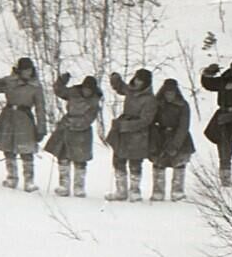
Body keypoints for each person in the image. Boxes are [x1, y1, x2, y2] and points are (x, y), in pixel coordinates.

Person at [0, 57, 47, 192]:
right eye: (25, 70)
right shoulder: (9, 81)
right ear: (19, 70)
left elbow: (40, 108)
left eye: (30, 70)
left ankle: (29, 181)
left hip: (24, 118)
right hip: (8, 116)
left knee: (26, 150)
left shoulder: (35, 86)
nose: (28, 72)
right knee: (8, 149)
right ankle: (11, 178)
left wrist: (41, 128)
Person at [43, 73, 101, 197]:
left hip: (82, 133)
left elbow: (89, 119)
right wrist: (62, 80)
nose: (87, 92)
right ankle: (64, 185)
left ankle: (79, 186)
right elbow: (58, 90)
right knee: (63, 157)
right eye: (85, 88)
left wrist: (74, 124)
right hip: (66, 129)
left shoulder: (94, 102)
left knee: (80, 160)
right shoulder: (73, 93)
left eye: (89, 90)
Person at [104, 69, 158, 202]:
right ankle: (121, 191)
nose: (138, 82)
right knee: (118, 160)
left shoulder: (150, 99)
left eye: (141, 80)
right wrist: (115, 79)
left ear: (146, 83)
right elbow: (121, 88)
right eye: (137, 79)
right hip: (123, 132)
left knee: (135, 162)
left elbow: (146, 120)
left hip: (138, 134)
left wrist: (127, 126)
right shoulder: (131, 90)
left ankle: (135, 191)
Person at [150, 78, 195, 201]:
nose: (169, 96)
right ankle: (158, 192)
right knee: (158, 163)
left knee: (179, 163)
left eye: (171, 93)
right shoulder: (158, 104)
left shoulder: (183, 105)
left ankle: (177, 192)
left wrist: (176, 144)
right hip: (161, 136)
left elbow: (184, 126)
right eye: (167, 93)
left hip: (179, 136)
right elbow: (151, 121)